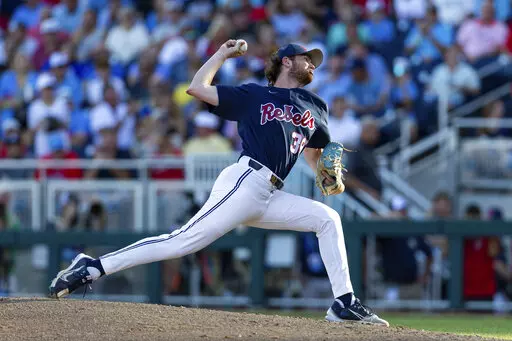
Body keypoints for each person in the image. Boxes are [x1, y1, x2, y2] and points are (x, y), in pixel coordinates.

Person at [49, 40, 389, 326]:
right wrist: (221, 55)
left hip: (271, 193)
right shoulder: (254, 94)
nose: (313, 65)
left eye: (315, 62)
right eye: (307, 59)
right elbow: (197, 88)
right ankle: (92, 267)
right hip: (246, 180)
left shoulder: (316, 106)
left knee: (328, 219)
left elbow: (316, 154)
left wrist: (327, 172)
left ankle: (344, 302)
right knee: (181, 242)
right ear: (287, 61)